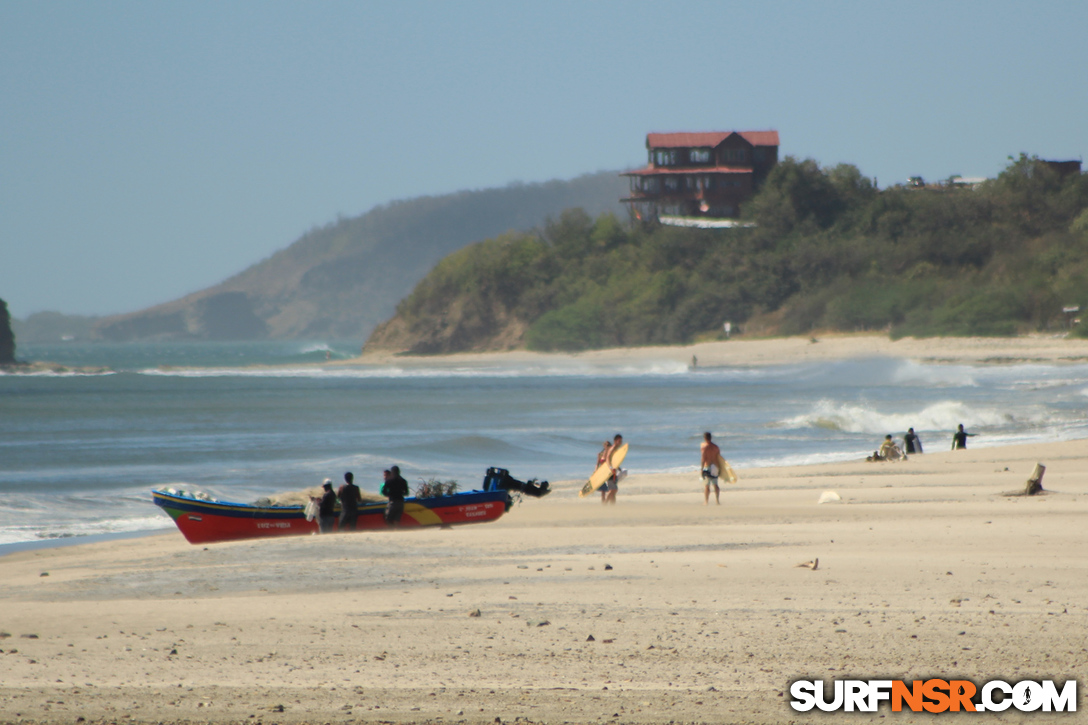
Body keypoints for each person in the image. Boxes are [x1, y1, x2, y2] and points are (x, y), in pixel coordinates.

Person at [700, 432, 722, 505]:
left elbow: (703, 459)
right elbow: (719, 458)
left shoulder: (704, 447)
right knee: (715, 484)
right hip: (715, 466)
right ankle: (717, 500)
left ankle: (706, 501)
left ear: (705, 438)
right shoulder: (716, 447)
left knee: (707, 485)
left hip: (708, 466)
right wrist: (720, 468)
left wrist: (701, 469)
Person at [602, 434, 623, 505]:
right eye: (619, 441)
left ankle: (612, 507)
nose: (621, 442)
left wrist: (618, 467)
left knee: (614, 491)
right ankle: (605, 504)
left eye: (621, 441)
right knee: (613, 490)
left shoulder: (616, 449)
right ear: (615, 441)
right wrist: (610, 468)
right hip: (610, 471)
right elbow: (607, 458)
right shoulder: (612, 448)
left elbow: (614, 460)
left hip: (614, 471)